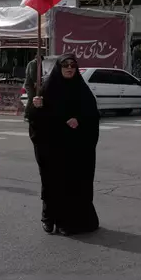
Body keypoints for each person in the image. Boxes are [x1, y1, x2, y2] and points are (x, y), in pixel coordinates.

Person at [29, 53, 101, 236]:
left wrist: (79, 120)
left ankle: (69, 223)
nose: (69, 68)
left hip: (76, 149)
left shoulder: (82, 90)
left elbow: (93, 116)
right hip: (52, 147)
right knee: (52, 184)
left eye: (73, 65)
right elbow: (35, 120)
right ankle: (48, 218)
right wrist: (36, 107)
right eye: (65, 65)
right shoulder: (47, 89)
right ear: (58, 68)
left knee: (74, 185)